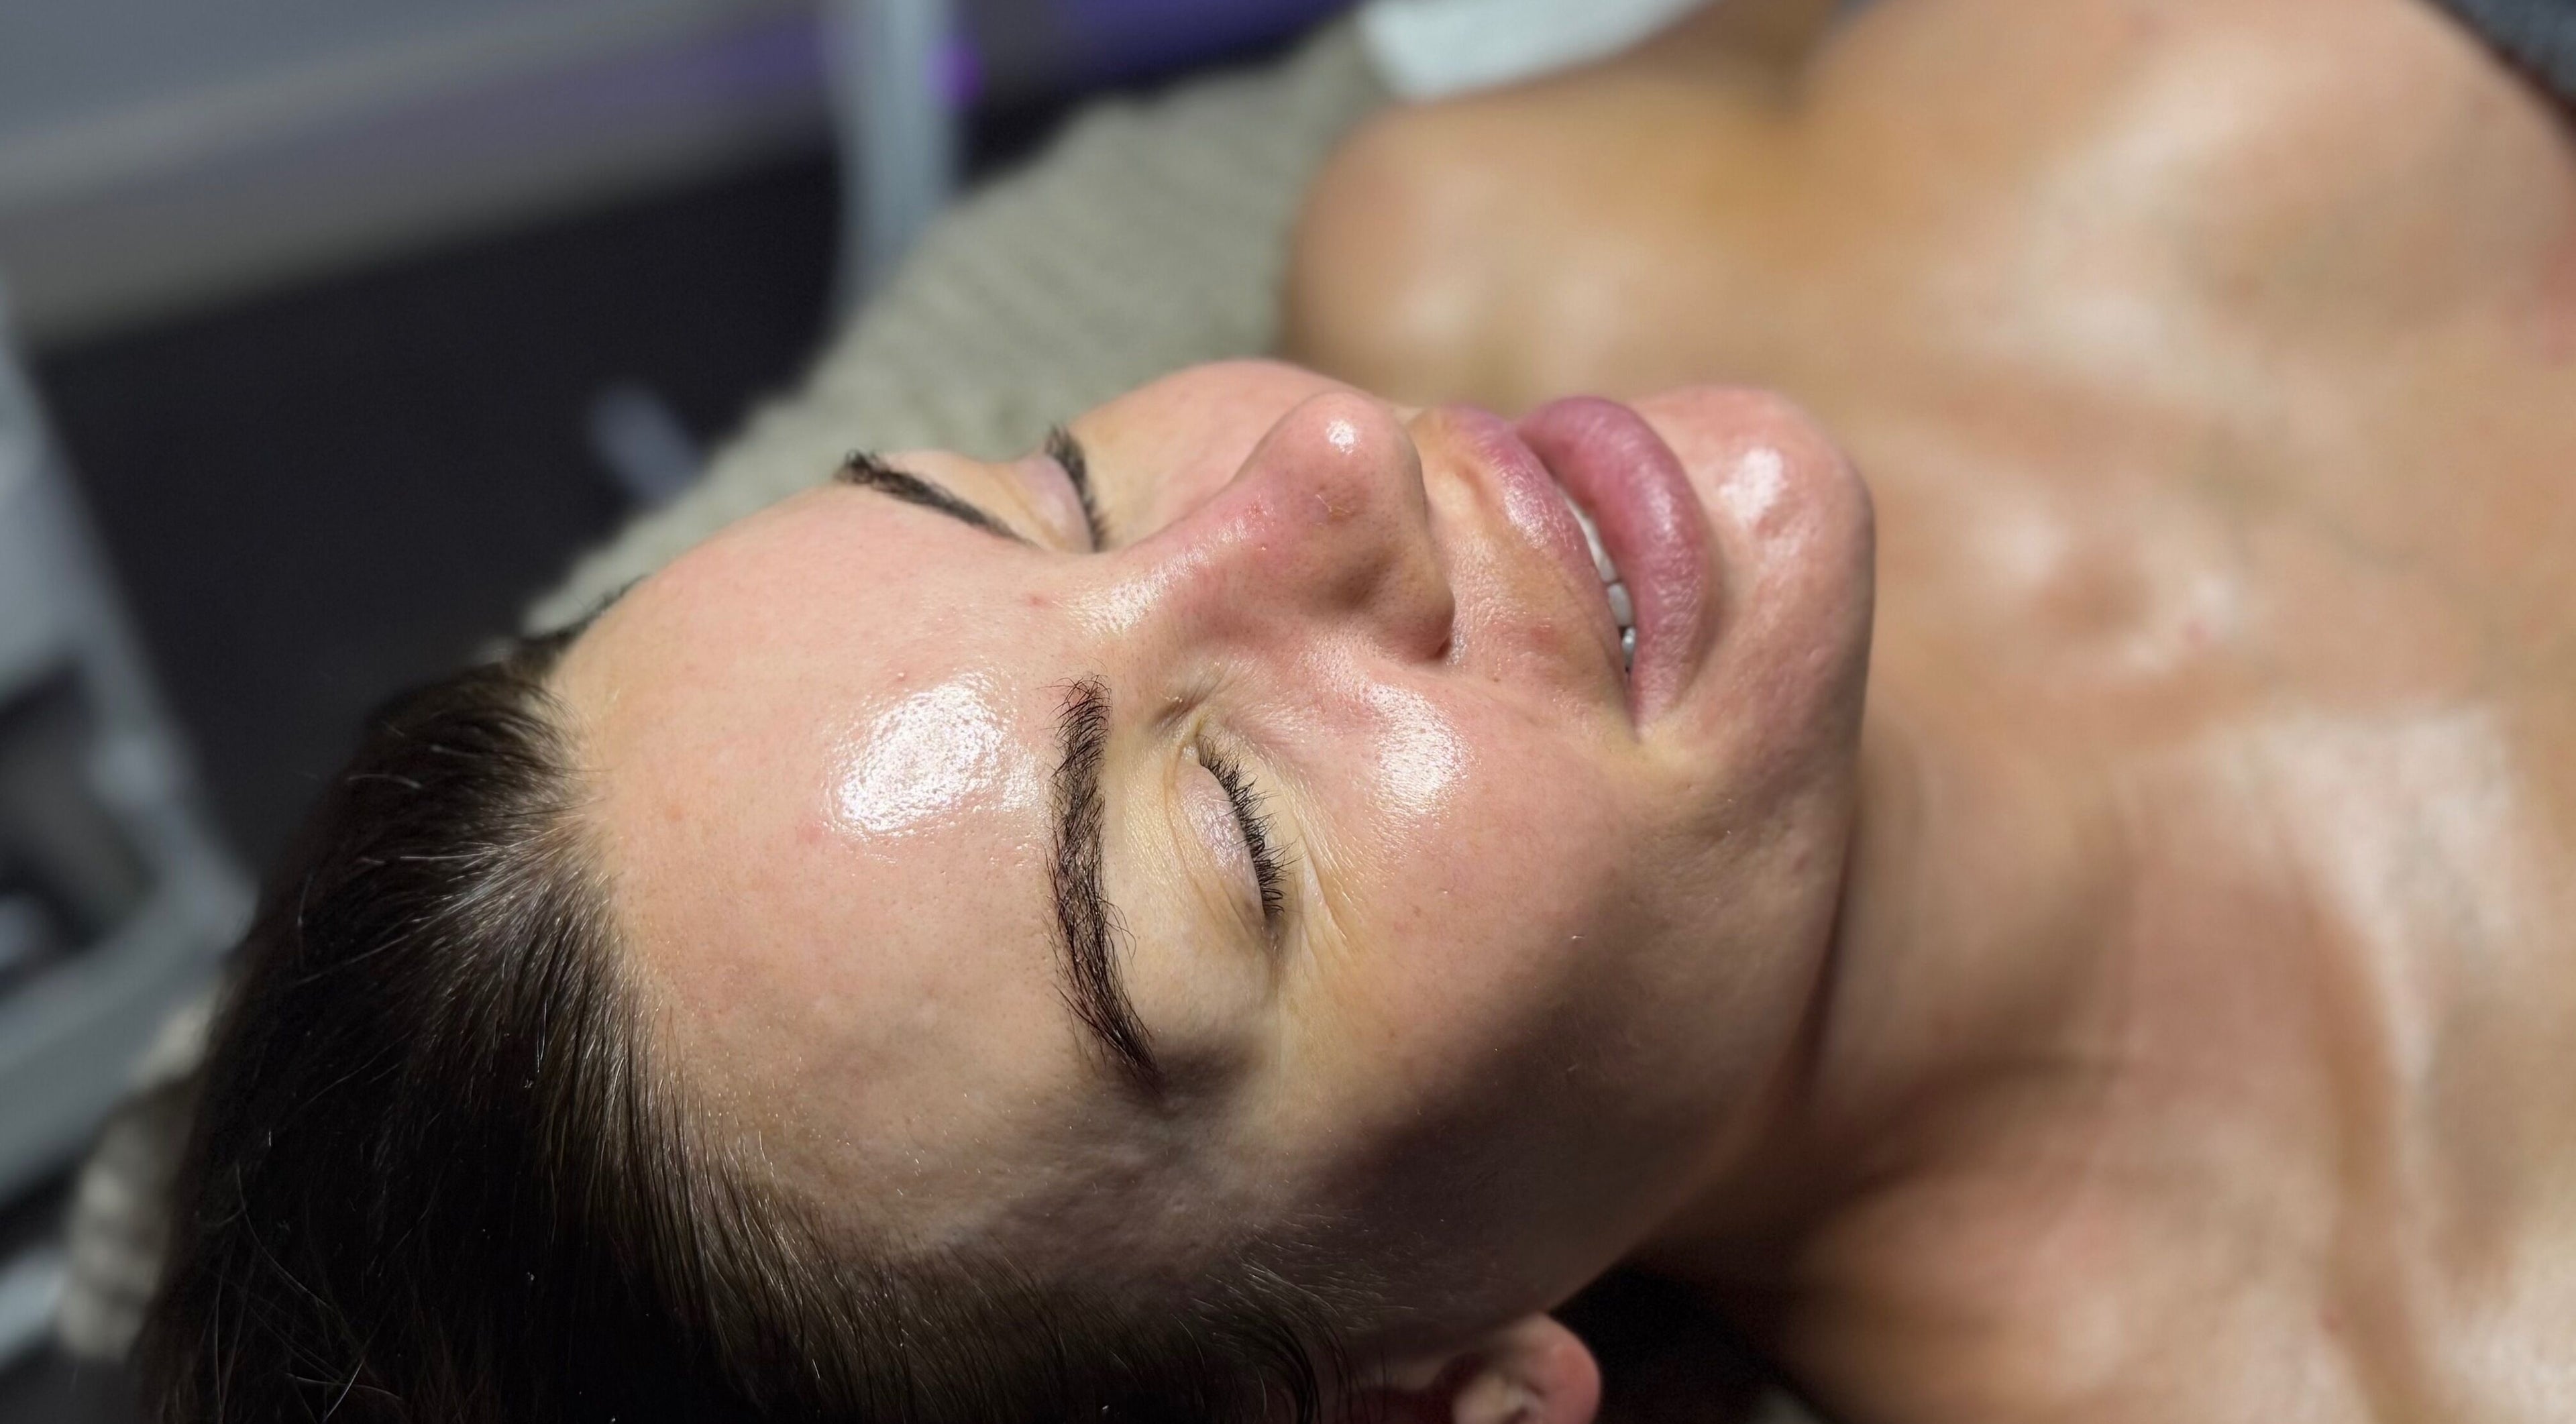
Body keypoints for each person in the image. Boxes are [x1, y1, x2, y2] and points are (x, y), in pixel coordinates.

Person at [141, 0, 2576, 1419]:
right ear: (1446, 1397)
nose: (1316, 462)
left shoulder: (1487, 223)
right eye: (1237, 841)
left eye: (1054, 491)